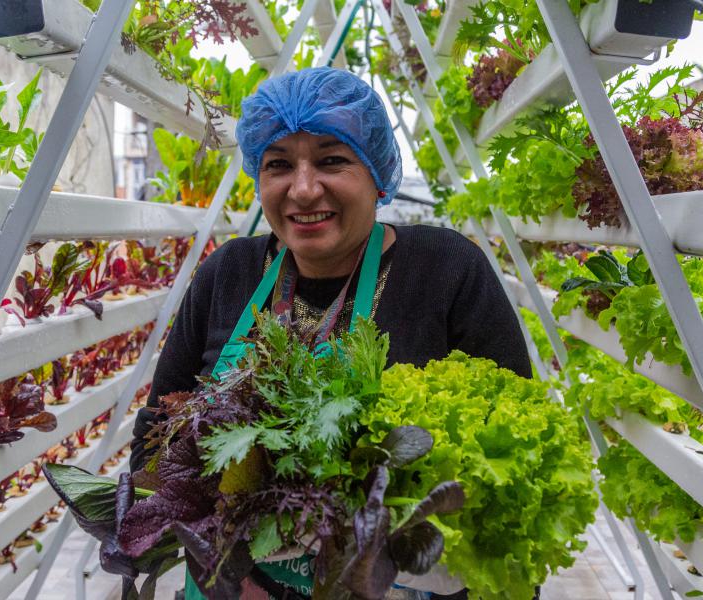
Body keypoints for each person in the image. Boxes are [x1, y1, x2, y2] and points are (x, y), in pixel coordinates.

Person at [128, 66, 532, 599]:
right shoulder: (229, 272)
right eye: (278, 165)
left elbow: (514, 464)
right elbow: (156, 440)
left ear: (376, 173)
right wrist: (208, 530)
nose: (302, 188)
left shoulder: (447, 270)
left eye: (331, 159)